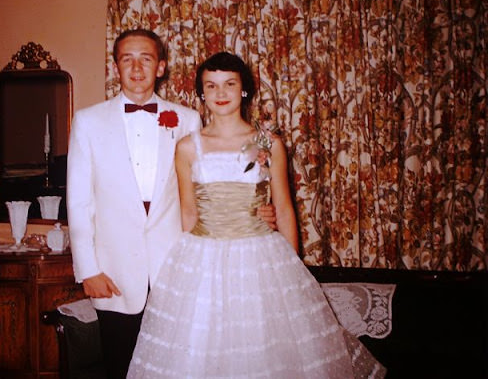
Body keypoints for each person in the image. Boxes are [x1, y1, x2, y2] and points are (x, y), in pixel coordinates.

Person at [127, 52, 386, 378]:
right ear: (201, 93)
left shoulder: (265, 143)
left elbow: (282, 207)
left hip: (259, 255)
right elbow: (189, 211)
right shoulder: (188, 148)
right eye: (211, 86)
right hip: (204, 256)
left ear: (244, 89)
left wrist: (291, 271)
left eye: (229, 84)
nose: (220, 94)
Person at [66, 30, 276, 379]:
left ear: (161, 67)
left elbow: (208, 190)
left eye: (146, 58)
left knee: (180, 366)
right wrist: (87, 269)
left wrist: (257, 211)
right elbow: (78, 200)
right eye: (126, 59)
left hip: (178, 269)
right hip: (113, 272)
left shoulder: (187, 120)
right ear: (115, 66)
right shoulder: (88, 121)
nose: (136, 67)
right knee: (120, 366)